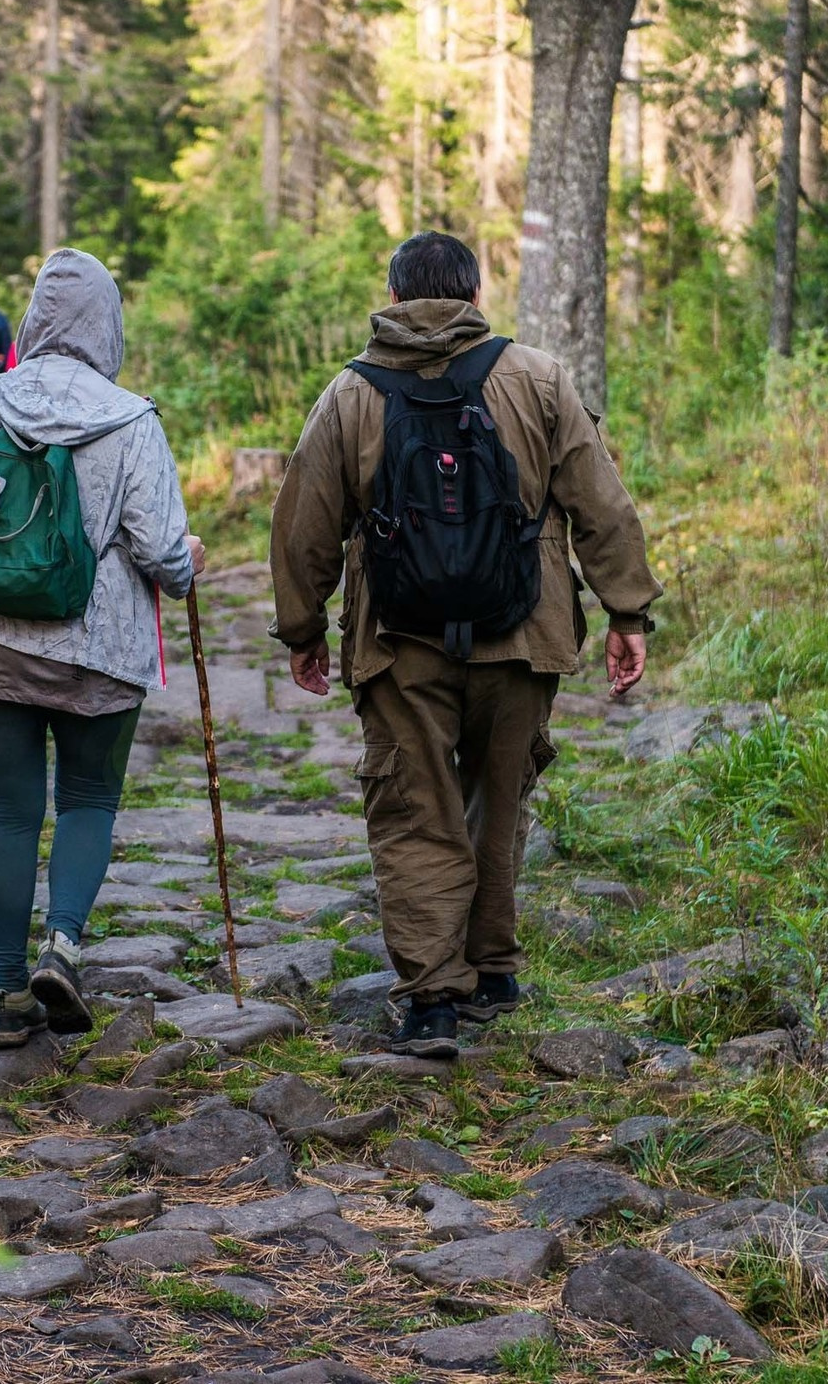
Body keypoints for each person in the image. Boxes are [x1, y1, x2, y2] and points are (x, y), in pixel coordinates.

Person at [268, 231, 662, 1058]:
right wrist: (628, 613)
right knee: (498, 797)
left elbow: (305, 522)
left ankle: (433, 1000)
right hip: (523, 634)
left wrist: (303, 628)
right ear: (477, 296)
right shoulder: (538, 377)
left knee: (416, 811)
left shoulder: (349, 394)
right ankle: (493, 968)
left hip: (398, 643)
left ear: (394, 295)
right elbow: (601, 503)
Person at [0, 249, 205, 1047]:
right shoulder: (131, 417)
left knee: (8, 812)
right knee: (88, 802)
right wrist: (189, 565)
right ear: (108, 324)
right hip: (97, 651)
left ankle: (8, 989)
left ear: (36, 317)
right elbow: (160, 551)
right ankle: (64, 946)